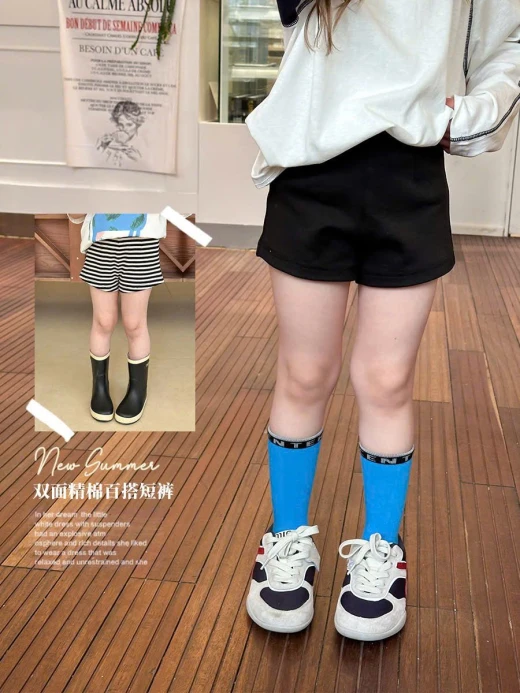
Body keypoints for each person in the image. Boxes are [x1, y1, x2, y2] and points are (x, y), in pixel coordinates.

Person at [245, 0, 520, 640]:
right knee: (304, 372)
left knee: (388, 379)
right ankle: (287, 538)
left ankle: (381, 548)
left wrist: (471, 116)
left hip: (409, 174)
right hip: (310, 162)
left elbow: (507, 41)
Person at [68, 213, 166, 425]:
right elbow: (76, 212)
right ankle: (99, 388)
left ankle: (138, 390)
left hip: (142, 243)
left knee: (134, 324)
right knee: (103, 321)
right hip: (100, 241)